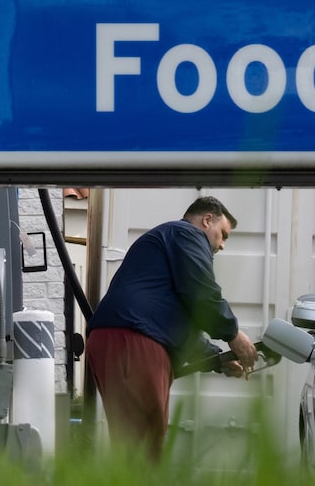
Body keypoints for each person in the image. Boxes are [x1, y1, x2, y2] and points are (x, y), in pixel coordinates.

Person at [85, 195, 259, 460]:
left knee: (133, 444)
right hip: (135, 340)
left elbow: (180, 323)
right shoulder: (186, 233)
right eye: (222, 234)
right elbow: (202, 292)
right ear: (207, 220)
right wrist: (233, 334)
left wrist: (217, 359)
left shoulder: (169, 244)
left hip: (117, 337)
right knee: (144, 449)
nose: (222, 245)